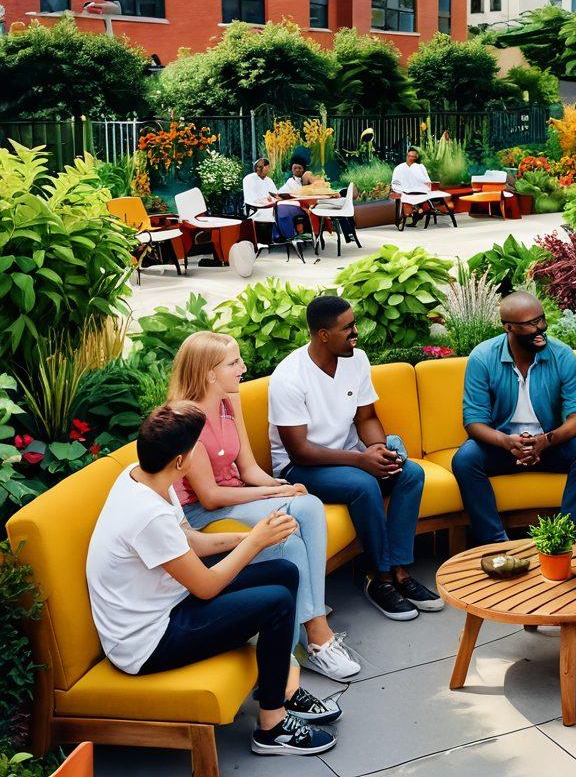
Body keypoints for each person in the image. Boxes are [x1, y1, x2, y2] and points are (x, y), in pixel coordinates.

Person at [86, 404, 339, 757]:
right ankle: (272, 725)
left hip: (169, 604)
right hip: (147, 641)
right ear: (179, 461)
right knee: (277, 603)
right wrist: (253, 542)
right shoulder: (147, 515)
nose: (199, 453)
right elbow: (205, 585)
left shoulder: (144, 476)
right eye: (195, 449)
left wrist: (256, 535)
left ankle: (280, 688)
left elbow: (191, 542)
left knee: (284, 571)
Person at [168, 331, 359, 681]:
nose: (243, 367)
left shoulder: (229, 401)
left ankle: (313, 622)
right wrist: (268, 496)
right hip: (202, 514)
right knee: (288, 540)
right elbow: (209, 496)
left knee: (309, 505)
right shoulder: (184, 420)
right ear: (209, 373)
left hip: (235, 497)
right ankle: (315, 638)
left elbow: (248, 469)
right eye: (233, 362)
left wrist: (279, 486)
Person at [268, 295, 442, 621]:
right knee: (362, 484)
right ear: (323, 335)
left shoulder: (356, 359)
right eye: (347, 328)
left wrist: (378, 450)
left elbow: (366, 418)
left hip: (347, 455)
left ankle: (400, 570)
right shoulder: (289, 378)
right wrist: (361, 461)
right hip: (302, 467)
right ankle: (380, 577)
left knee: (411, 474)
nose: (356, 333)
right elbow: (299, 450)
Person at [454, 291, 576, 545]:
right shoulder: (483, 357)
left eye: (542, 320)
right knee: (465, 459)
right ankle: (496, 544)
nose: (541, 328)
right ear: (508, 327)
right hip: (503, 446)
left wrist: (546, 440)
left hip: (548, 445)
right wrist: (506, 442)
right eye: (531, 324)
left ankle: (566, 540)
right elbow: (474, 421)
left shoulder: (561, 354)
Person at [391, 147, 453, 227]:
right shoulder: (399, 168)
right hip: (406, 191)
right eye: (410, 156)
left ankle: (420, 212)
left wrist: (426, 186)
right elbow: (395, 182)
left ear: (416, 158)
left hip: (421, 191)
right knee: (409, 198)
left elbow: (427, 180)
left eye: (414, 157)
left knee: (423, 198)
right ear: (407, 156)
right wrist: (401, 188)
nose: (411, 158)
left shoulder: (420, 167)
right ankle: (416, 211)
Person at [243, 158, 280, 223]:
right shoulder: (249, 179)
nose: (268, 170)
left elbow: (275, 195)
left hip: (269, 207)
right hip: (255, 209)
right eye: (266, 167)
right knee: (266, 214)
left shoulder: (269, 180)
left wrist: (273, 199)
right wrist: (266, 201)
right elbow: (251, 199)